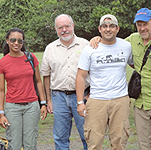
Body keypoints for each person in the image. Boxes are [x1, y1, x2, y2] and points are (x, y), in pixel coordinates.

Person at [90, 8, 151, 150]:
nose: (142, 28)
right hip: (141, 105)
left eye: (145, 24)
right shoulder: (132, 40)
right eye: (139, 25)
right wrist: (98, 39)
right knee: (145, 145)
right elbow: (113, 44)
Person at [76, 14, 133, 150]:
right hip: (96, 100)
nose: (108, 29)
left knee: (119, 141)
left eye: (112, 26)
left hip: (120, 100)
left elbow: (136, 65)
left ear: (117, 29)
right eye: (105, 26)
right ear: (99, 29)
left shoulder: (126, 46)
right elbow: (80, 76)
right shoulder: (90, 48)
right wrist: (80, 103)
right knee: (94, 142)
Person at [40, 14, 90, 150]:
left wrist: (90, 94)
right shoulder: (50, 48)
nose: (64, 30)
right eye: (60, 27)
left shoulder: (86, 45)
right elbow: (46, 75)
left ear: (73, 26)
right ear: (56, 29)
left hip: (82, 97)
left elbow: (95, 72)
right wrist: (48, 100)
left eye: (67, 26)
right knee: (60, 138)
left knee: (87, 135)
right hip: (59, 97)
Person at [0, 28, 47, 150]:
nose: (16, 43)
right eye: (13, 40)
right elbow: (0, 90)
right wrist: (1, 113)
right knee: (14, 144)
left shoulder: (31, 58)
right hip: (12, 108)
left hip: (32, 106)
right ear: (7, 41)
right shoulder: (2, 63)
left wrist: (43, 103)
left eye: (20, 40)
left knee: (30, 143)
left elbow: (39, 82)